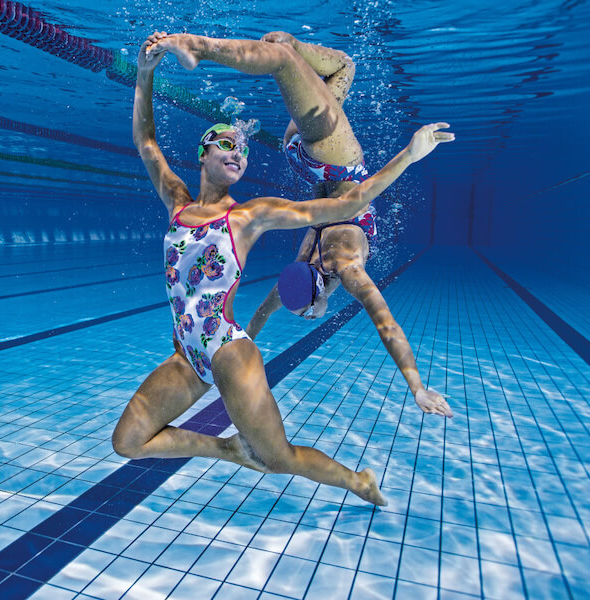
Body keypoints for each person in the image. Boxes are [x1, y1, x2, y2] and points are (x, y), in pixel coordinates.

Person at [111, 31, 455, 507]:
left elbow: (349, 201)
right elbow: (146, 143)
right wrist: (144, 76)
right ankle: (229, 449)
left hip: (229, 354)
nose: (238, 153)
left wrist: (409, 155)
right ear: (203, 154)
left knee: (279, 458)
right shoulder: (177, 201)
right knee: (128, 441)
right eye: (227, 144)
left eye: (243, 152)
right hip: (189, 355)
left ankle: (359, 482)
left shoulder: (251, 215)